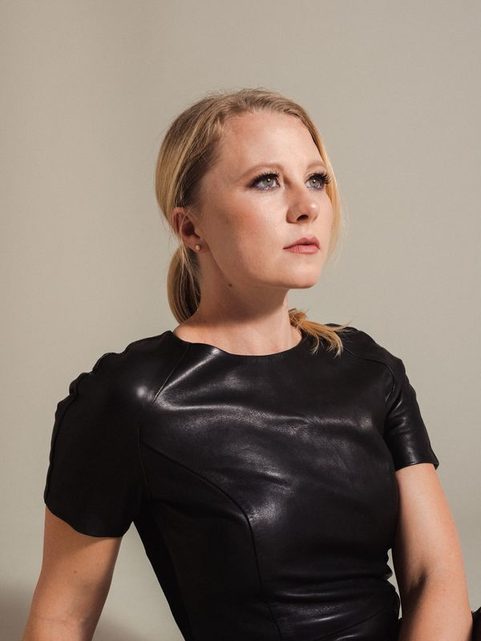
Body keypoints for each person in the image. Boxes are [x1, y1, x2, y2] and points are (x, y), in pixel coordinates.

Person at [22, 87, 476, 641]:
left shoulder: (368, 369)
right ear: (191, 228)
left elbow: (435, 579)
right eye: (266, 181)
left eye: (316, 179)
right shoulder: (131, 398)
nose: (307, 206)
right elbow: (62, 619)